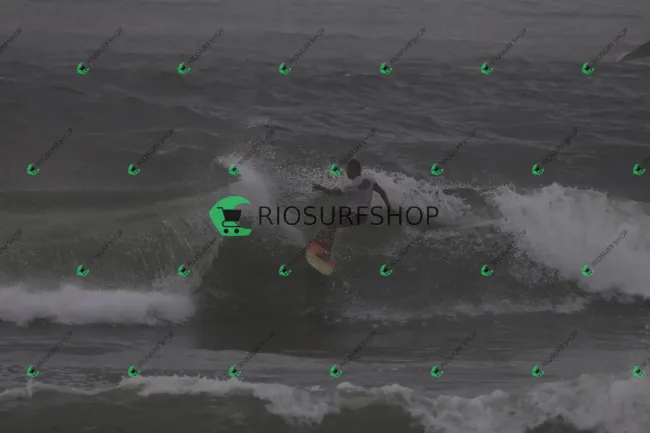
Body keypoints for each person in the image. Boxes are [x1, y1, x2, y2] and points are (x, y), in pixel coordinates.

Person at [311, 159, 391, 261]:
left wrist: (321, 188)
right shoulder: (370, 179)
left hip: (357, 215)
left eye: (348, 169)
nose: (346, 171)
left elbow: (334, 194)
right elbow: (382, 192)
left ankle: (328, 253)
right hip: (359, 214)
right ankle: (328, 241)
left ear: (354, 170)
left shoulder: (351, 185)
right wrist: (389, 207)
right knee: (336, 213)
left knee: (333, 223)